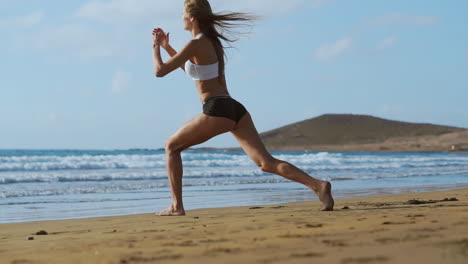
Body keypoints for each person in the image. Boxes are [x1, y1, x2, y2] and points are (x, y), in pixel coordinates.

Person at [152, 0, 334, 216]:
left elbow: (160, 71)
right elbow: (195, 71)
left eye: (182, 13)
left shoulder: (195, 44)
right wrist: (167, 47)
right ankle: (318, 185)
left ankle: (176, 206)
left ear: (192, 18)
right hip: (234, 108)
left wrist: (155, 48)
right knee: (266, 163)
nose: (180, 17)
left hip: (216, 107)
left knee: (171, 146)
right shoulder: (211, 43)